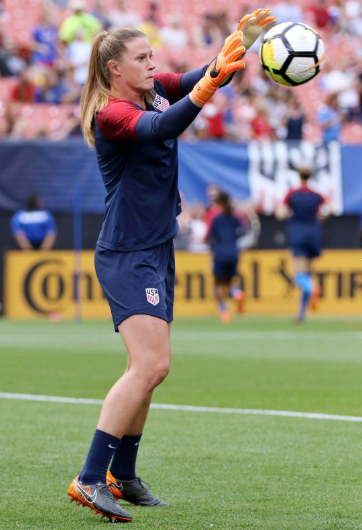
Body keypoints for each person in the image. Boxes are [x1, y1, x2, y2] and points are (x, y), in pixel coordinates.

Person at [67, 11, 276, 523]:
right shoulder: (112, 112)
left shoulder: (151, 86)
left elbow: (201, 76)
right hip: (127, 251)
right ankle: (91, 478)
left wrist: (241, 45)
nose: (151, 63)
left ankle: (125, 476)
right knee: (151, 366)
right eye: (141, 58)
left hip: (156, 247)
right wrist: (210, 80)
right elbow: (168, 122)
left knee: (152, 370)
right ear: (115, 69)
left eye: (151, 55)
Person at [276, 167, 325, 323]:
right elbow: (327, 211)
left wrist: (289, 214)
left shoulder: (292, 194)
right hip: (314, 234)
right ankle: (301, 313)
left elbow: (281, 213)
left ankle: (312, 288)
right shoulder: (316, 195)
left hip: (298, 233)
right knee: (308, 272)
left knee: (299, 275)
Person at [207, 192, 246, 323]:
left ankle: (224, 311)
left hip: (220, 252)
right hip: (233, 252)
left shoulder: (216, 218)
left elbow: (209, 236)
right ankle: (236, 293)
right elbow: (243, 231)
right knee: (229, 281)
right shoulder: (235, 217)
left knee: (218, 283)